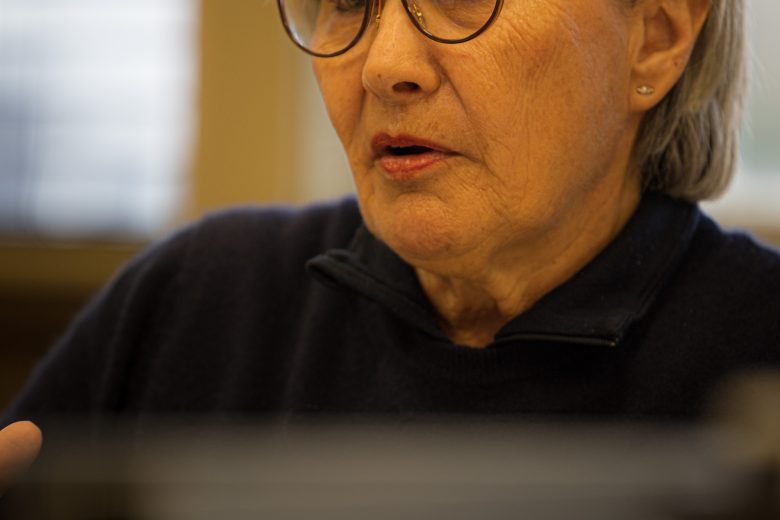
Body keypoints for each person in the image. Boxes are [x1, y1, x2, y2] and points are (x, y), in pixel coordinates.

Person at [1, 0, 779, 493]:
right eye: (347, 2)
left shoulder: (759, 343)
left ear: (655, 39)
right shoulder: (198, 298)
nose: (383, 67)